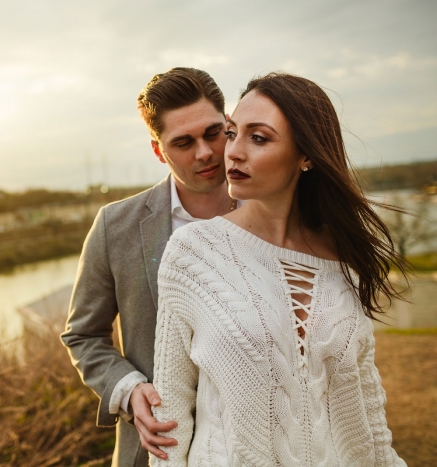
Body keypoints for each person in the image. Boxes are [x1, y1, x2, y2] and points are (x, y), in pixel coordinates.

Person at [150, 72, 407, 466]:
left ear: (306, 156)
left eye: (259, 137)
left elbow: (366, 412)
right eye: (233, 133)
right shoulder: (192, 253)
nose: (232, 152)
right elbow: (170, 416)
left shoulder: (344, 262)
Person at [61, 67, 242, 466]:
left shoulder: (277, 212)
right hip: (159, 451)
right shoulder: (114, 227)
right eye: (183, 142)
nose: (205, 153)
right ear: (159, 151)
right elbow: (83, 335)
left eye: (213, 133)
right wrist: (129, 390)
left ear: (229, 125)